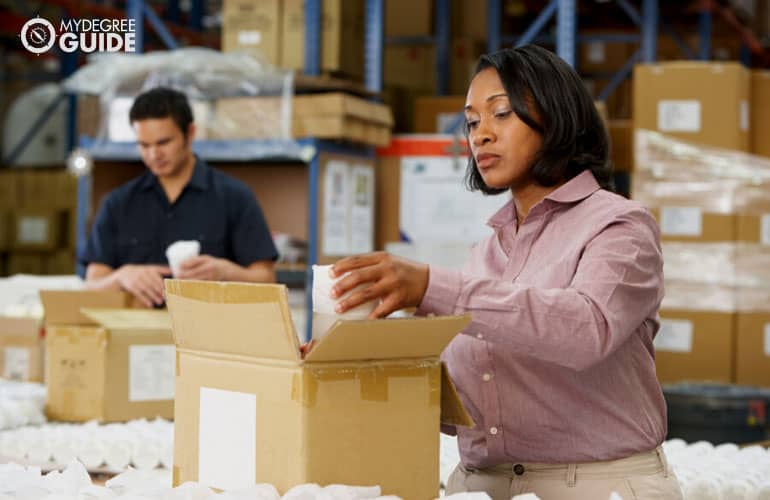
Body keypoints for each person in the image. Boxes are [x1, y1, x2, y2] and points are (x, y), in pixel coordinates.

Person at [327, 45, 683, 500]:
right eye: (473, 122)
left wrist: (434, 287)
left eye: (501, 114)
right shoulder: (488, 251)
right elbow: (465, 398)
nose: (481, 136)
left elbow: (585, 329)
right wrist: (358, 365)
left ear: (557, 116)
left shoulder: (620, 227)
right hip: (483, 484)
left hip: (595, 484)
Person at [80, 87, 277, 307]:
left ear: (190, 134)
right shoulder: (118, 203)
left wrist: (224, 272)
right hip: (135, 332)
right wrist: (122, 276)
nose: (154, 155)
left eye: (163, 143)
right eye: (144, 145)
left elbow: (267, 280)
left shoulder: (234, 197)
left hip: (209, 334)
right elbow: (92, 283)